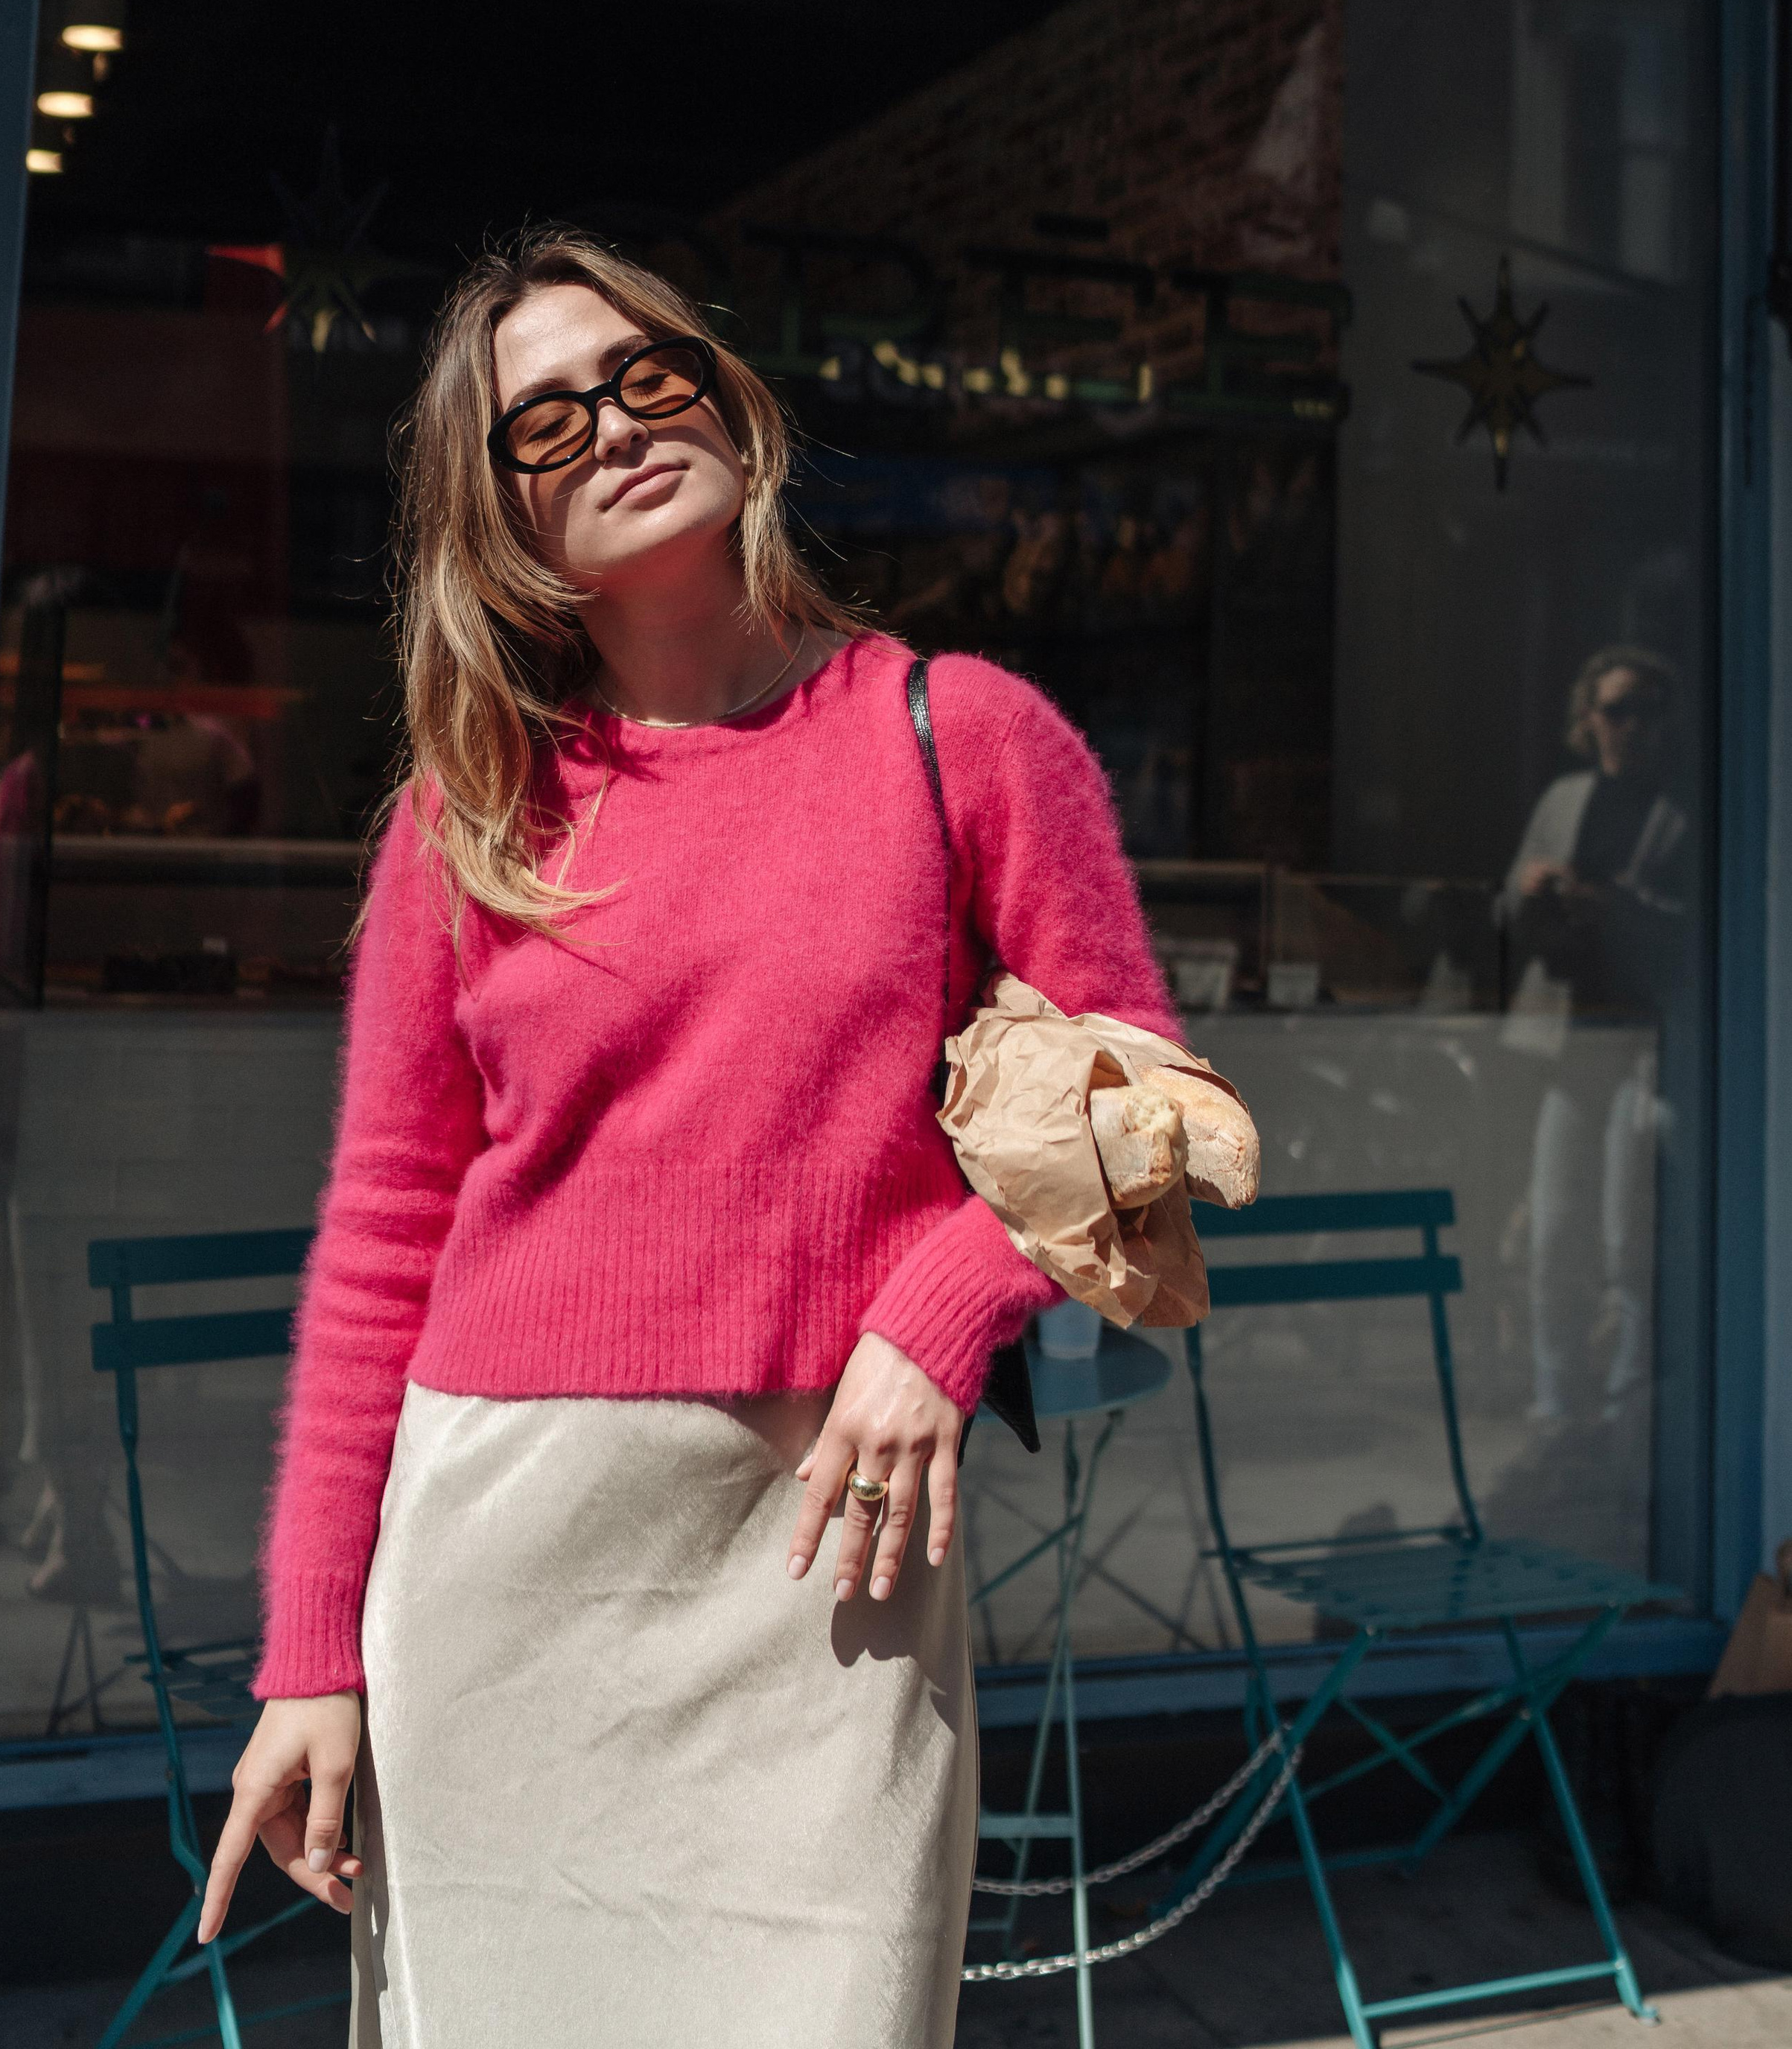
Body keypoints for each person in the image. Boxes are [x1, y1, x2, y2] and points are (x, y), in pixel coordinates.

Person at [197, 227, 1178, 2045]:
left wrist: (941, 1309)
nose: (614, 428)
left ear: (724, 394)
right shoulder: (467, 813)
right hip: (504, 1550)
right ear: (493, 517)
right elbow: (382, 1239)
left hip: (830, 1548)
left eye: (648, 374)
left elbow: (1138, 1093)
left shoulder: (958, 732)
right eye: (542, 427)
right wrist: (310, 1657)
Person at [1499, 645, 1686, 1432]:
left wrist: (1622, 907)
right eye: (1615, 709)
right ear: (1588, 718)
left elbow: (1699, 928)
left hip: (1641, 1038)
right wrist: (1532, 889)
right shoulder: (1564, 798)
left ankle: (1623, 1399)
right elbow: (1505, 910)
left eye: (1645, 711)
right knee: (1553, 1222)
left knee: (1626, 1230)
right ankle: (1556, 1392)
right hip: (1566, 1038)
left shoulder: (1679, 813)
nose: (1629, 727)